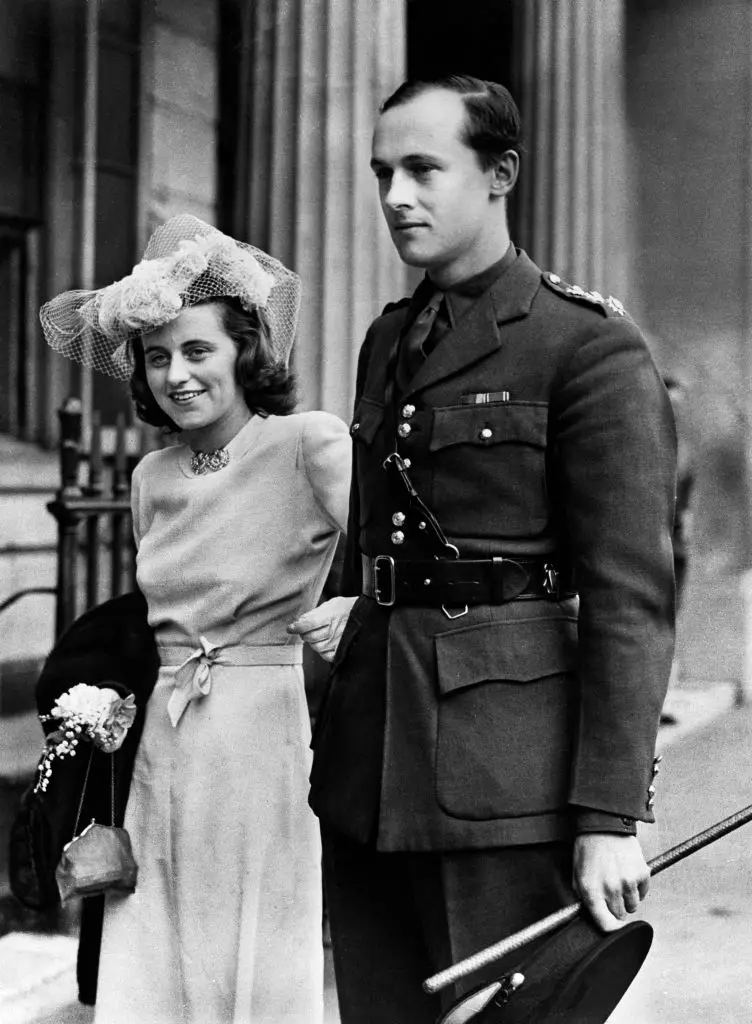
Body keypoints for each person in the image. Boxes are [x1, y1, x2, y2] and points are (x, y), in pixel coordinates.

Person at [288, 75, 676, 1022]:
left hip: (503, 779)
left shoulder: (584, 346)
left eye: (424, 168)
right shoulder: (388, 340)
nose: (395, 196)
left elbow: (631, 598)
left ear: (500, 173)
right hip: (369, 767)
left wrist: (608, 815)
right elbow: (371, 536)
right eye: (384, 171)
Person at [40, 214, 351, 1024]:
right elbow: (154, 618)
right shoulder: (150, 475)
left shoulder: (307, 445)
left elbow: (400, 560)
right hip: (162, 738)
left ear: (244, 354)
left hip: (260, 727)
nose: (176, 375)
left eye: (197, 351)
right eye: (157, 357)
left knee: (250, 928)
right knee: (157, 933)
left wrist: (353, 605)